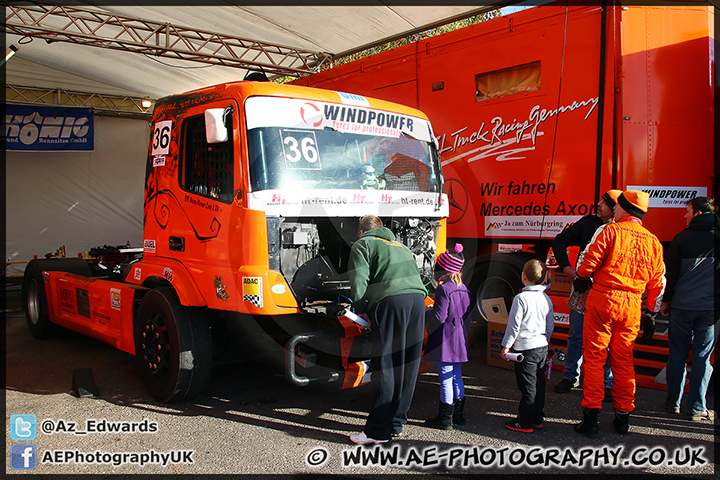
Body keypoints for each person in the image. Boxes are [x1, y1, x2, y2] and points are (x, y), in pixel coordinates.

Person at [573, 190, 665, 435]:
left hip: (603, 298)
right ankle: (623, 418)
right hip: (633, 305)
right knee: (623, 361)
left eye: (617, 206)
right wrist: (651, 313)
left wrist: (581, 279)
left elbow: (587, 262)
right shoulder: (653, 242)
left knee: (594, 358)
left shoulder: (609, 231)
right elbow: (659, 283)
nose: (613, 209)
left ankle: (591, 419)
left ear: (624, 209)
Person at [347, 215, 427, 444]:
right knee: (407, 364)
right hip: (417, 300)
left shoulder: (363, 244)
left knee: (387, 365)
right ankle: (396, 422)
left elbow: (359, 280)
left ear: (361, 232)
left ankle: (376, 432)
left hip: (391, 301)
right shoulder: (400, 245)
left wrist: (361, 309)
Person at [552, 190, 622, 398]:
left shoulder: (621, 229)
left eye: (604, 202)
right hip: (582, 287)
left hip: (608, 292)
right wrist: (567, 269)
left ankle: (606, 384)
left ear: (615, 208)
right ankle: (570, 376)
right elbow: (559, 241)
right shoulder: (587, 223)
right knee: (576, 335)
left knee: (607, 339)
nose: (598, 204)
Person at [661, 197, 719, 421]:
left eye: (687, 211)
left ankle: (672, 403)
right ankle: (696, 409)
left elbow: (672, 276)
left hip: (682, 306)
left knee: (677, 354)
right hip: (710, 309)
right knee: (703, 358)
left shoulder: (681, 239)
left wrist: (666, 301)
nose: (684, 215)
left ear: (698, 213)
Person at [500, 259, 554, 433]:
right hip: (541, 346)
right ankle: (538, 417)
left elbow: (514, 326)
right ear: (544, 278)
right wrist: (545, 339)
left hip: (525, 348)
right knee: (539, 384)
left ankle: (526, 422)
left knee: (527, 387)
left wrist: (506, 346)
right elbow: (550, 325)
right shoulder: (546, 298)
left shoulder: (521, 298)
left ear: (524, 277)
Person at [423, 243, 472, 430]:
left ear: (443, 269)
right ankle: (458, 415)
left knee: (444, 376)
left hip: (445, 340)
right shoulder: (464, 288)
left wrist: (426, 312)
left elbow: (439, 317)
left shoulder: (444, 289)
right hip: (460, 339)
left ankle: (444, 419)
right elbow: (467, 317)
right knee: (457, 376)